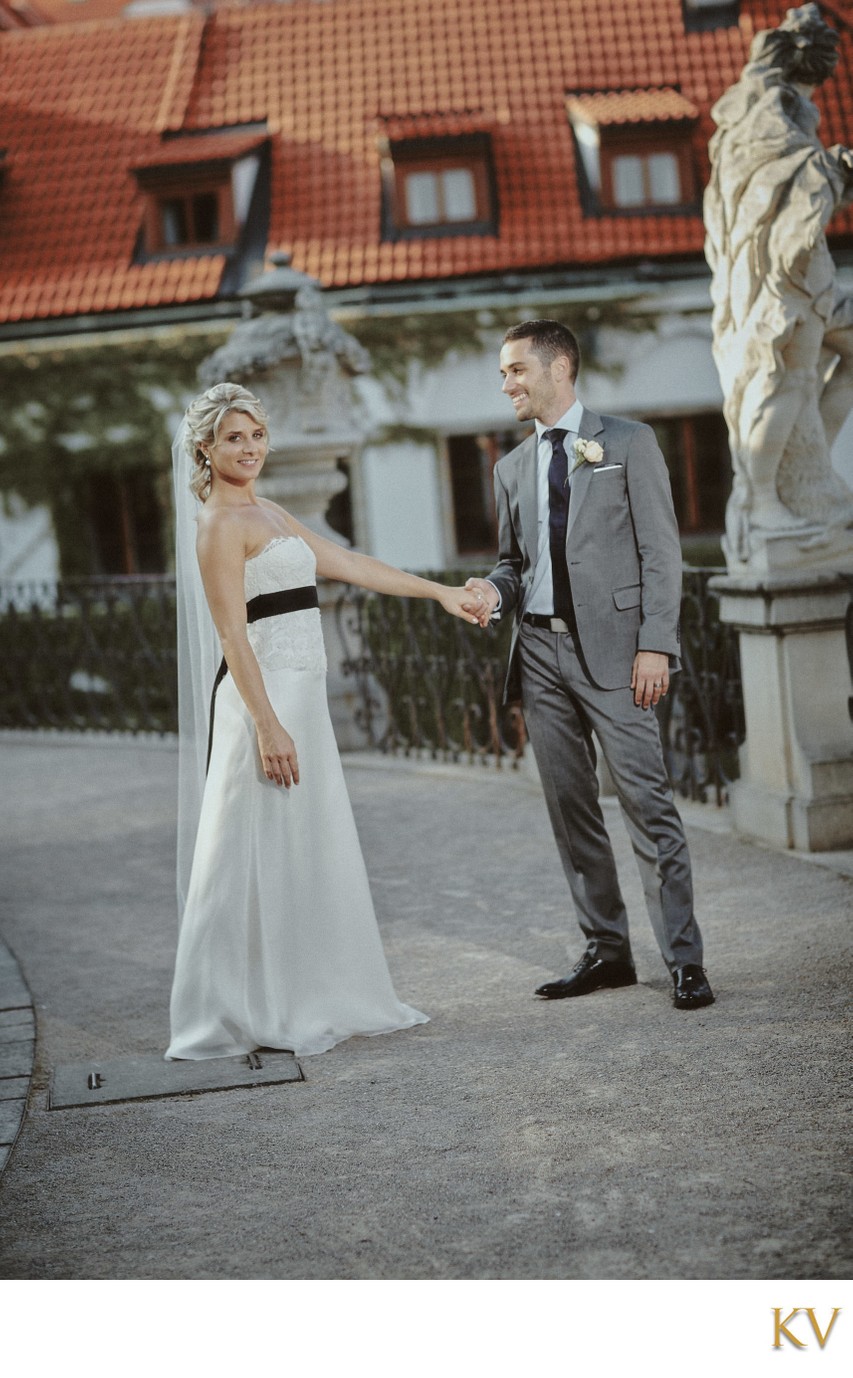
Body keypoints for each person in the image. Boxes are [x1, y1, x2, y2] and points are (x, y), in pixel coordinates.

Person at [166, 382, 484, 1060]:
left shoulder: (271, 511)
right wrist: (266, 725)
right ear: (205, 448)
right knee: (247, 849)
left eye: (255, 436)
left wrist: (441, 594)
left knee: (303, 843)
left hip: (303, 701)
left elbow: (350, 564)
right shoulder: (218, 525)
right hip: (264, 704)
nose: (248, 448)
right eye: (233, 438)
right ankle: (236, 1006)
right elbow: (231, 636)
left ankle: (314, 988)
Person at [464, 320, 714, 1010]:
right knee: (570, 809)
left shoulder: (629, 443)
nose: (507, 384)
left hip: (617, 654)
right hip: (537, 652)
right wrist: (492, 590)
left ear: (558, 369)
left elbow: (662, 552)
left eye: (516, 370)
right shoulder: (509, 467)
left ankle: (683, 961)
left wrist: (655, 644)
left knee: (647, 805)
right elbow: (513, 564)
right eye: (503, 374)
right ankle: (606, 952)